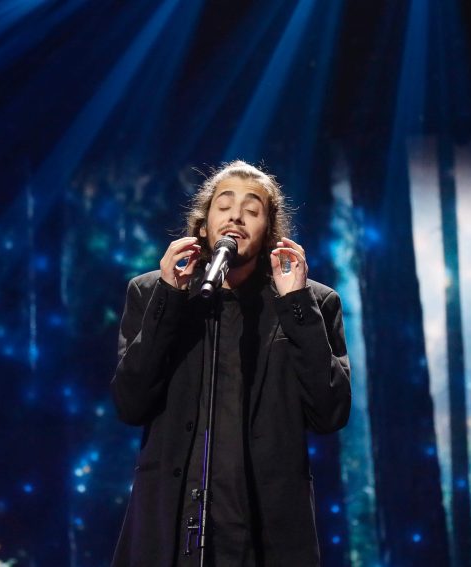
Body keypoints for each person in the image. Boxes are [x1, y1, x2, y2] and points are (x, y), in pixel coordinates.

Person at [110, 161, 351, 566]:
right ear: (203, 226)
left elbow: (330, 413)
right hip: (170, 527)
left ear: (269, 232)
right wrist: (169, 298)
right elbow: (130, 404)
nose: (236, 216)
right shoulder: (152, 292)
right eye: (223, 206)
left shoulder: (311, 303)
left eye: (252, 210)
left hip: (264, 534)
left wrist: (297, 304)